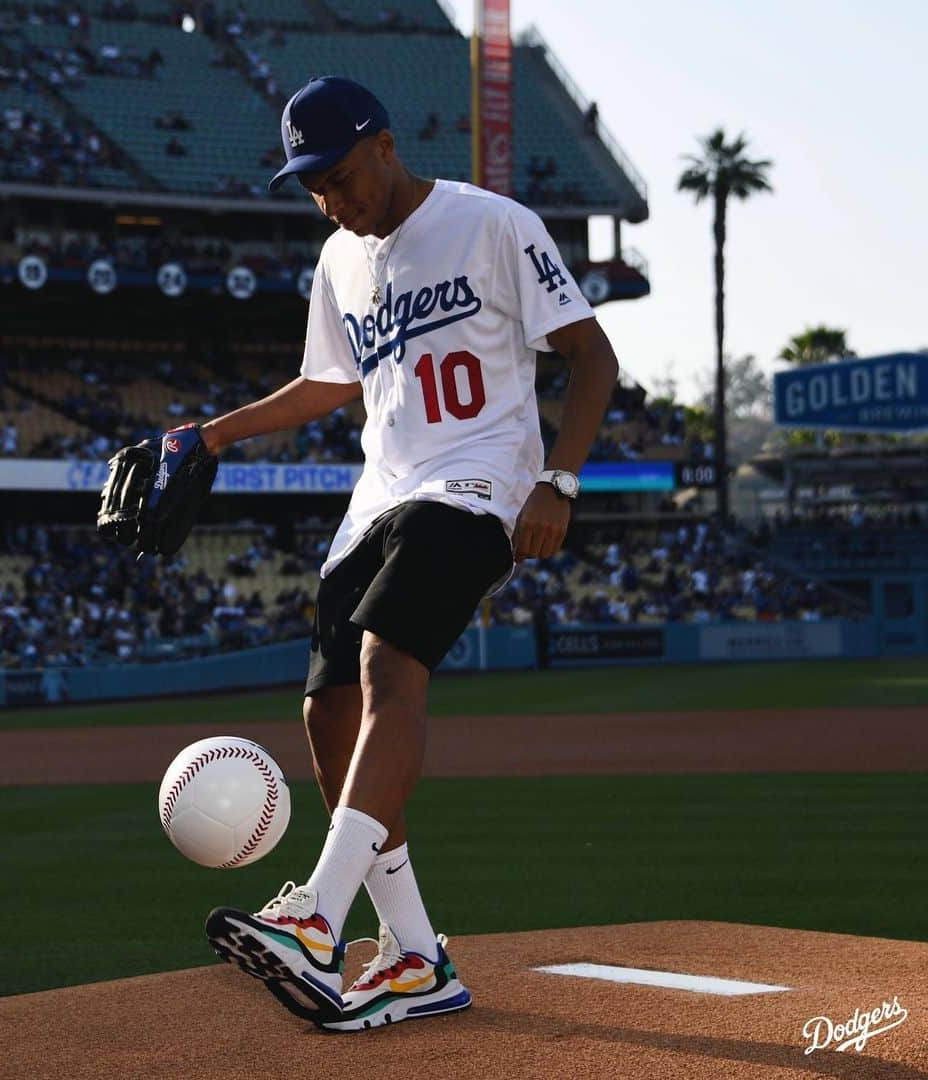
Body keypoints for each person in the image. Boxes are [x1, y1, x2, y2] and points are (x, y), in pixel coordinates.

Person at [200, 76, 620, 1031]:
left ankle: (315, 917)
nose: (331, 200)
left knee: (391, 664)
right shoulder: (338, 261)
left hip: (477, 483)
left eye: (341, 176)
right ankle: (415, 956)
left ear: (385, 147)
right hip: (377, 498)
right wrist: (213, 435)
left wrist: (560, 481)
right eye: (312, 186)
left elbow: (593, 358)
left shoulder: (490, 224)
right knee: (327, 712)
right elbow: (323, 385)